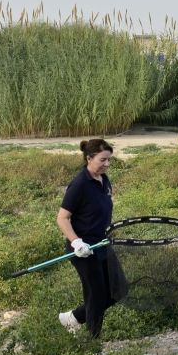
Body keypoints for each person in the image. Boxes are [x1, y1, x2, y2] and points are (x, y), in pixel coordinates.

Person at [56, 137, 125, 337]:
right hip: (83, 250)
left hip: (102, 243)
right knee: (96, 296)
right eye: (102, 160)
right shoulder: (79, 184)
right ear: (89, 158)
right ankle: (92, 344)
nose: (107, 164)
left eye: (109, 160)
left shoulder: (103, 180)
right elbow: (62, 218)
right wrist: (76, 242)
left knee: (117, 291)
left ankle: (73, 318)